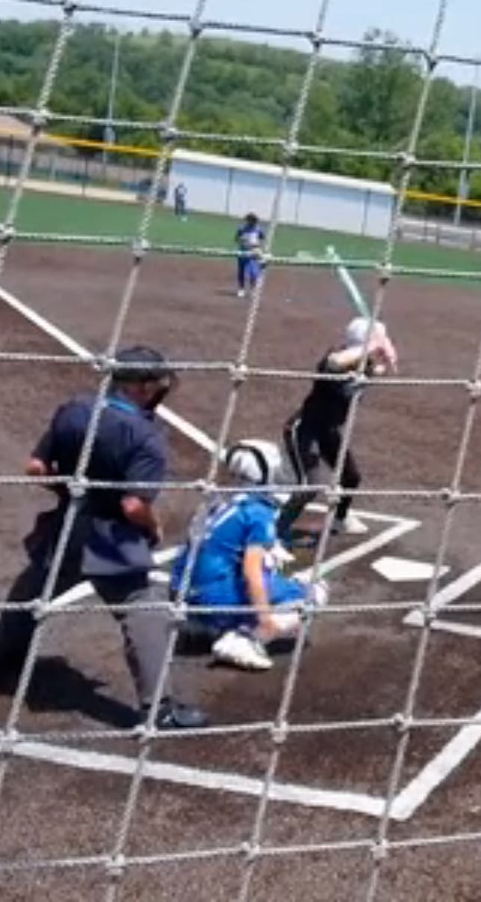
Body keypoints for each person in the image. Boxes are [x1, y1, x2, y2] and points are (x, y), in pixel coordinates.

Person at [0, 346, 208, 730]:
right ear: (141, 388)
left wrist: (72, 495)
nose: (162, 387)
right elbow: (133, 505)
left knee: (33, 588)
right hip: (111, 540)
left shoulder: (75, 410)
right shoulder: (146, 436)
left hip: (67, 526)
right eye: (157, 381)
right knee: (141, 609)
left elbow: (36, 467)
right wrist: (152, 525)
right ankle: (159, 710)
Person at [172, 439, 327, 672]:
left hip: (181, 597)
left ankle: (208, 627)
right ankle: (245, 639)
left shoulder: (218, 499)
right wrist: (266, 621)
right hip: (212, 601)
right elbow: (251, 571)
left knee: (270, 567)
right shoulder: (258, 511)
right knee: (314, 592)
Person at [276, 317, 397, 544]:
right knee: (310, 486)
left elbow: (369, 372)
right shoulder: (334, 359)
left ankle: (340, 518)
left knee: (351, 476)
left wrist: (381, 362)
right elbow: (333, 366)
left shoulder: (365, 363)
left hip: (327, 429)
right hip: (304, 428)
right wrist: (373, 353)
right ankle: (276, 531)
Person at [234, 212, 267, 298]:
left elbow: (263, 240)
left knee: (253, 273)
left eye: (254, 221)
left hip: (253, 253)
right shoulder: (242, 229)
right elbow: (236, 239)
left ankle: (252, 290)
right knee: (241, 271)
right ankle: (241, 289)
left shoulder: (258, 230)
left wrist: (259, 248)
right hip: (243, 252)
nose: (252, 223)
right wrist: (241, 239)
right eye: (250, 221)